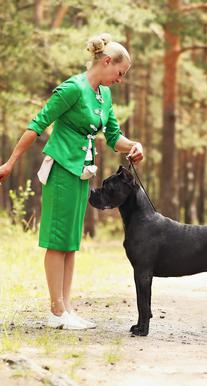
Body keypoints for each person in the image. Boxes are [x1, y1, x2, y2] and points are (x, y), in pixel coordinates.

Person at [0, 33, 143, 330]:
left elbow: (114, 136)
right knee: (57, 240)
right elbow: (38, 124)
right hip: (62, 169)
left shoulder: (104, 95)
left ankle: (66, 309)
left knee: (71, 242)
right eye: (120, 72)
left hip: (82, 172)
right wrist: (11, 162)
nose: (121, 79)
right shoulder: (72, 89)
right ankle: (56, 312)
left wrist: (134, 146)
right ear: (106, 62)